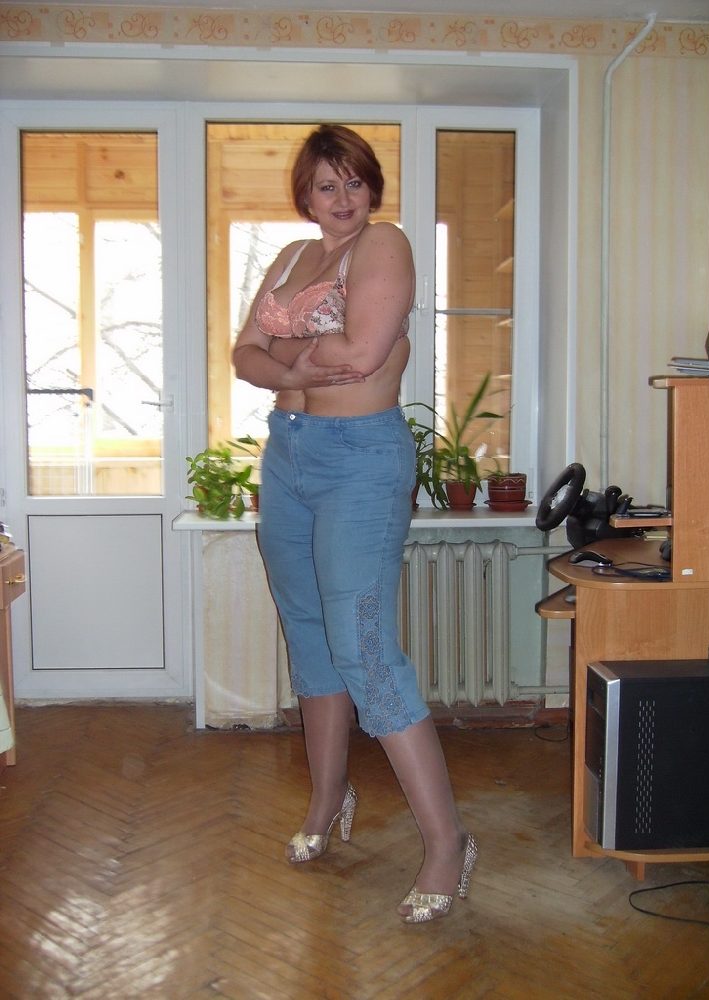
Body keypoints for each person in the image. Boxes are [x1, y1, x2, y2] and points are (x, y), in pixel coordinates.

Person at [232, 124, 477, 923]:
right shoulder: (290, 258)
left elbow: (365, 353)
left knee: (364, 649)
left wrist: (286, 355)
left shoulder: (385, 245)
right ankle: (327, 800)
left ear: (372, 188)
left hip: (359, 460)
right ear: (305, 196)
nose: (342, 198)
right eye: (325, 185)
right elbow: (243, 356)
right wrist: (304, 358)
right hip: (288, 457)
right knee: (310, 639)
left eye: (354, 182)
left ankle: (446, 842)